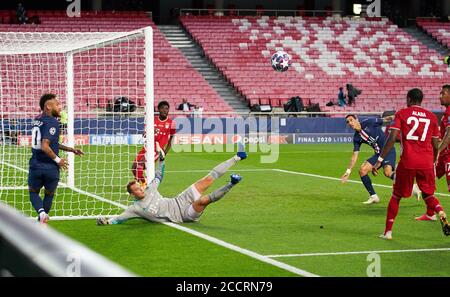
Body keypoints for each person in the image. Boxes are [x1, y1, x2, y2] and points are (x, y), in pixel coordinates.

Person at [97, 145, 247, 225]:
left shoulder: (150, 189)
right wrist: (107, 222)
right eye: (136, 189)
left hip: (179, 200)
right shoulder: (134, 209)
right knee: (203, 201)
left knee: (207, 180)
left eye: (139, 186)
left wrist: (162, 159)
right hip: (183, 215)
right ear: (132, 194)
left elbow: (159, 175)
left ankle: (237, 157)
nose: (140, 189)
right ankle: (231, 183)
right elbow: (118, 219)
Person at [373, 88, 449, 239]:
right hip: (426, 162)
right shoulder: (432, 117)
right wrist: (433, 161)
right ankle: (440, 212)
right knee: (428, 194)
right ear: (421, 100)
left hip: (408, 161)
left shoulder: (402, 113)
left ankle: (388, 232)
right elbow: (435, 145)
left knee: (396, 196)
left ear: (409, 99)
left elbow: (392, 137)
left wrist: (380, 160)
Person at [28, 94, 84, 224]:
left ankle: (41, 214)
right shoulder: (52, 122)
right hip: (50, 168)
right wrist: (59, 161)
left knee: (33, 192)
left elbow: (51, 144)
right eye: (57, 104)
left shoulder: (37, 119)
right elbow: (45, 146)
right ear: (48, 106)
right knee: (49, 194)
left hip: (36, 165)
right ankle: (43, 217)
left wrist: (72, 150)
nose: (60, 107)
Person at [341, 114, 397, 204]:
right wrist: (348, 171)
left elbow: (386, 119)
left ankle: (409, 184)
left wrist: (400, 116)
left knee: (387, 173)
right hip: (378, 154)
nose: (350, 123)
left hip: (388, 150)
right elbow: (354, 156)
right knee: (362, 171)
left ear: (357, 119)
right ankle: (374, 196)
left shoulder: (369, 122)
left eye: (351, 120)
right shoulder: (356, 138)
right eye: (348, 122)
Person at [417, 85, 450, 221]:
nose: (440, 96)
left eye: (443, 93)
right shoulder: (446, 112)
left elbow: (449, 134)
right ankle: (430, 214)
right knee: (426, 181)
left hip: (447, 156)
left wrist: (438, 151)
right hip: (443, 156)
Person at [131, 100, 175, 188]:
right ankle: (144, 182)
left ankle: (144, 185)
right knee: (134, 168)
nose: (165, 110)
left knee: (140, 165)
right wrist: (145, 132)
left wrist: (165, 151)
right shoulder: (152, 120)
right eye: (163, 108)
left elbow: (172, 138)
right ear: (158, 109)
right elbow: (145, 132)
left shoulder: (171, 123)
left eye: (167, 109)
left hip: (156, 150)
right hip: (146, 148)